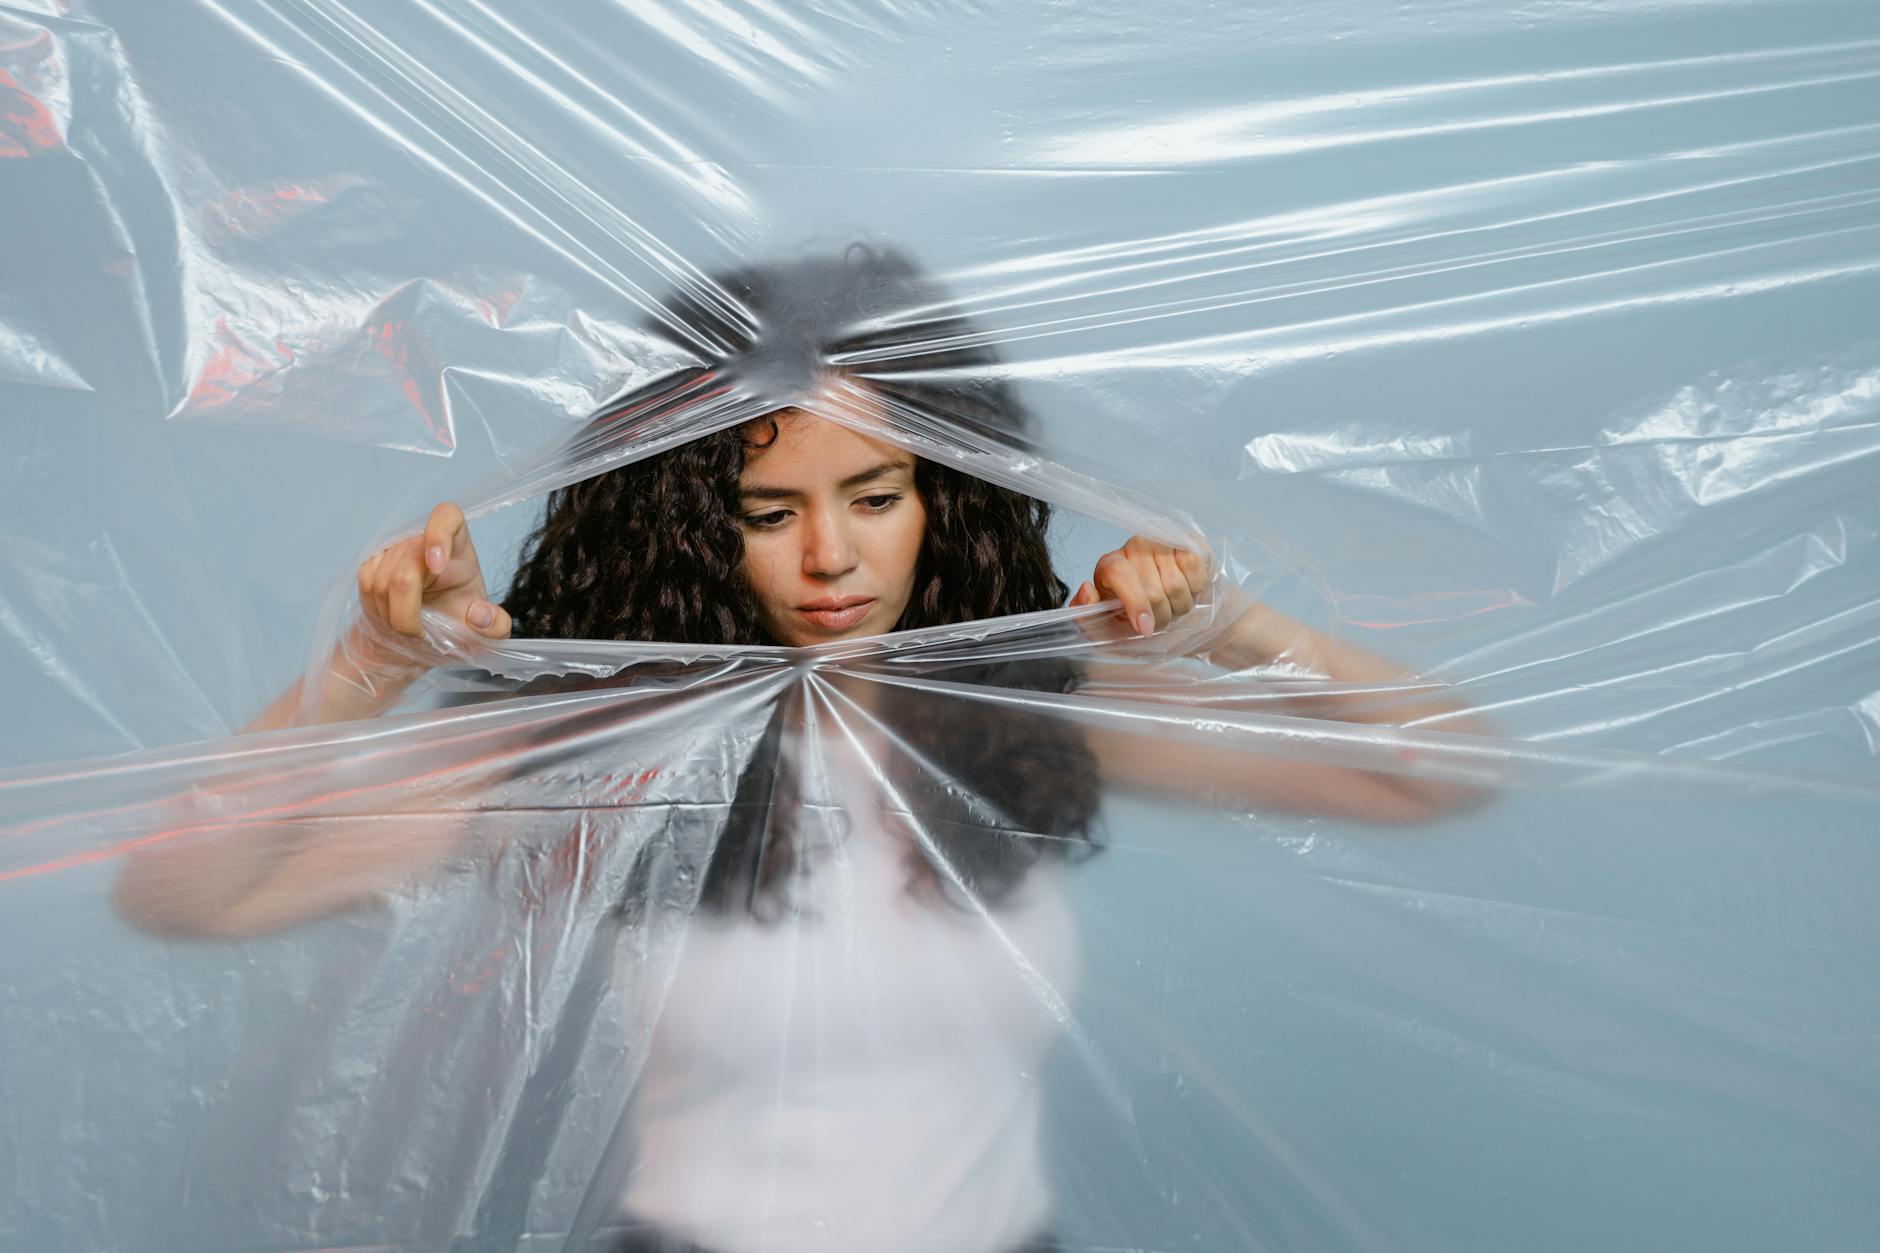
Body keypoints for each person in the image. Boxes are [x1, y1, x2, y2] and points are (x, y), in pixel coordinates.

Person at [115, 246, 1486, 1253]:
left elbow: (1435, 770)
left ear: (945, 496)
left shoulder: (1014, 718)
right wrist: (364, 671)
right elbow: (183, 893)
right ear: (689, 521)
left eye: (876, 496)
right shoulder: (601, 753)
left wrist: (1233, 624)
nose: (832, 554)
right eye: (770, 509)